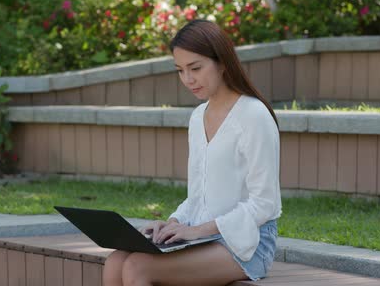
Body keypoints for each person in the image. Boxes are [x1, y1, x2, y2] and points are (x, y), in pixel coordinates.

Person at [103, 19, 282, 286]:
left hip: (248, 243)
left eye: (195, 68)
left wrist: (197, 230)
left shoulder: (253, 115)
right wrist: (172, 223)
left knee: (138, 267)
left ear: (222, 62)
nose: (188, 80)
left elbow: (265, 204)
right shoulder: (198, 117)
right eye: (180, 70)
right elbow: (198, 196)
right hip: (203, 235)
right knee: (116, 260)